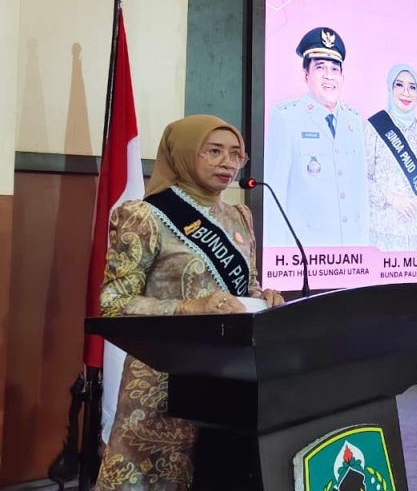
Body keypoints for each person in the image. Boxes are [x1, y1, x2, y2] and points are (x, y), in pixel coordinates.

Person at [95, 115, 285, 490]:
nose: (228, 163)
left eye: (236, 154)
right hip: (162, 382)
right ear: (183, 153)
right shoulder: (145, 216)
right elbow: (114, 303)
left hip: (228, 380)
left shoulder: (240, 216)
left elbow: (244, 285)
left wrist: (262, 296)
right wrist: (187, 308)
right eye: (213, 151)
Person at [265, 27, 370, 247]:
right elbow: (274, 198)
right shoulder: (287, 118)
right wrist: (277, 255)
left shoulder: (353, 120)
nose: (329, 76)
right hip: (305, 252)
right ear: (306, 75)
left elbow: (361, 194)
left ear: (342, 77)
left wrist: (363, 248)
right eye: (320, 67)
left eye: (335, 69)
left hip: (351, 251)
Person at [365, 64, 417, 250]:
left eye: (412, 87)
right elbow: (360, 180)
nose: (406, 92)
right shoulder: (373, 129)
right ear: (390, 88)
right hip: (382, 236)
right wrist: (391, 198)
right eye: (399, 85)